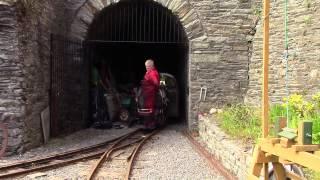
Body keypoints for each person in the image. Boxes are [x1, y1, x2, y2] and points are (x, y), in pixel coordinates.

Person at [141, 59, 160, 130]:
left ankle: (151, 124)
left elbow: (156, 83)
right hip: (147, 94)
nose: (146, 68)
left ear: (151, 66)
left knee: (150, 109)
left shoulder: (153, 73)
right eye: (146, 66)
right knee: (147, 109)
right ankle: (148, 123)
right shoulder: (149, 72)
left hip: (151, 94)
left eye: (147, 66)